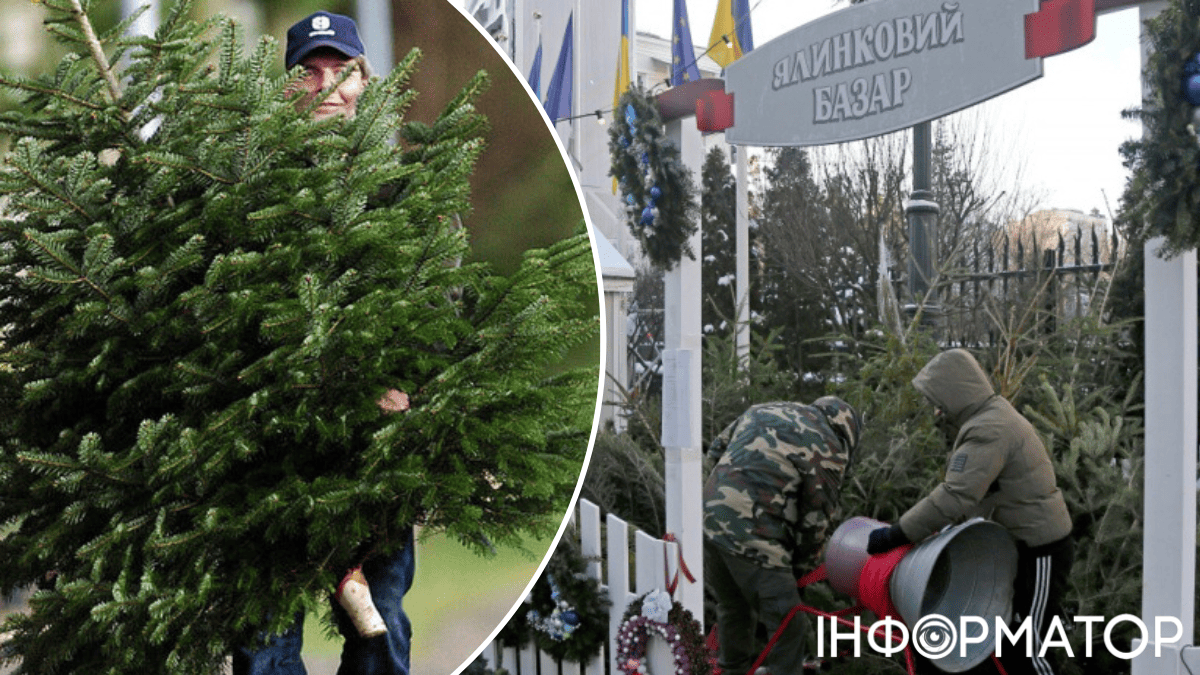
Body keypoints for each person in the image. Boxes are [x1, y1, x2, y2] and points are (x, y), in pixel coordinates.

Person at [231, 12, 415, 675]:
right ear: (286, 88)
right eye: (309, 72)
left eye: (342, 71)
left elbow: (439, 309)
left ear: (366, 81)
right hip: (268, 458)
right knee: (264, 642)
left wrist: (404, 385)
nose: (326, 86)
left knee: (379, 621)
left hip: (371, 455)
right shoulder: (250, 193)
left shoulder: (401, 191)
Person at [865, 348, 1073, 675]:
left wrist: (896, 534)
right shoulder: (989, 417)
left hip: (1040, 548)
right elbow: (980, 493)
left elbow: (955, 495)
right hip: (1019, 547)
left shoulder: (989, 429)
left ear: (954, 392)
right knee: (1009, 643)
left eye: (938, 400)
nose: (937, 410)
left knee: (1031, 648)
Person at [704, 397, 863, 675]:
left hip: (710, 520)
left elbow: (714, 452)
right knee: (789, 623)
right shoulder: (830, 447)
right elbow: (815, 522)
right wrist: (800, 572)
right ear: (848, 434)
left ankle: (732, 670)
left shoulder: (763, 409)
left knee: (733, 607)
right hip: (755, 536)